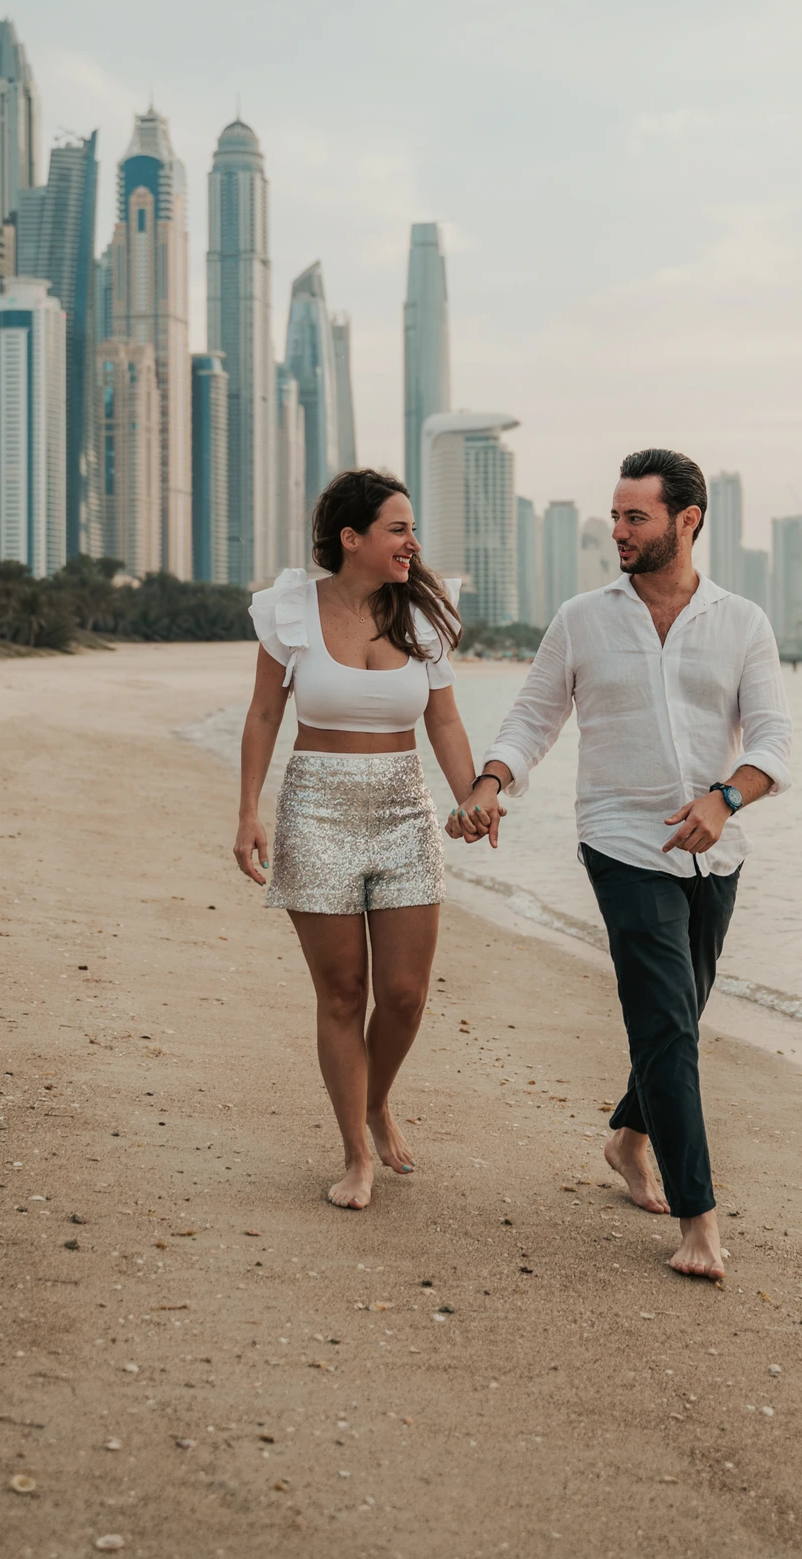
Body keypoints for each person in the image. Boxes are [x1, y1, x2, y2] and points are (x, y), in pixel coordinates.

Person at [447, 448, 791, 1280]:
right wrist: (489, 785)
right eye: (614, 516)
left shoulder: (741, 622)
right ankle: (698, 1222)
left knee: (679, 1015)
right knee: (663, 1023)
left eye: (635, 516)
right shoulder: (581, 619)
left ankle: (628, 1139)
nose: (618, 531)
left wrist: (724, 799)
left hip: (715, 850)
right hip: (619, 842)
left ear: (687, 521)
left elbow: (773, 744)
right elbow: (531, 719)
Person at [234, 468, 491, 1211]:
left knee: (404, 995)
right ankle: (355, 1151)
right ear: (352, 538)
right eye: (397, 529)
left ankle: (378, 1100)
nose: (413, 543)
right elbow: (263, 715)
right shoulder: (291, 611)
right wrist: (248, 812)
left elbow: (443, 719)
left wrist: (472, 796)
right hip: (316, 810)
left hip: (405, 813)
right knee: (343, 993)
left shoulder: (423, 617)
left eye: (412, 528)